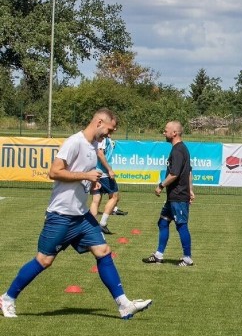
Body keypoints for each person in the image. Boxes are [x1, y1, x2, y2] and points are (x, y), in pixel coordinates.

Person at [0, 109, 152, 319]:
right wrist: (86, 175)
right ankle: (7, 298)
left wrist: (90, 181)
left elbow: (80, 176)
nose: (109, 134)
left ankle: (124, 304)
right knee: (44, 260)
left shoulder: (92, 146)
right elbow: (54, 172)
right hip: (61, 215)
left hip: (81, 216)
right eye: (109, 129)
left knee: (104, 251)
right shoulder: (75, 142)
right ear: (99, 122)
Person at [142, 121, 195, 267]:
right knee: (163, 222)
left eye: (166, 130)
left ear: (174, 133)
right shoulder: (180, 149)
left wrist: (161, 185)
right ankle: (158, 255)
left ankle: (187, 258)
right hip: (173, 197)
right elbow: (189, 171)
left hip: (178, 196)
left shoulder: (178, 150)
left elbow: (174, 174)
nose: (164, 133)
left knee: (181, 225)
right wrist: (191, 190)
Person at [89, 133, 127, 236]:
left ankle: (92, 227)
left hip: (95, 172)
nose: (114, 129)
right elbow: (100, 153)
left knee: (96, 199)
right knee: (115, 197)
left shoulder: (102, 138)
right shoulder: (102, 138)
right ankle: (103, 223)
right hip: (103, 173)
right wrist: (109, 169)